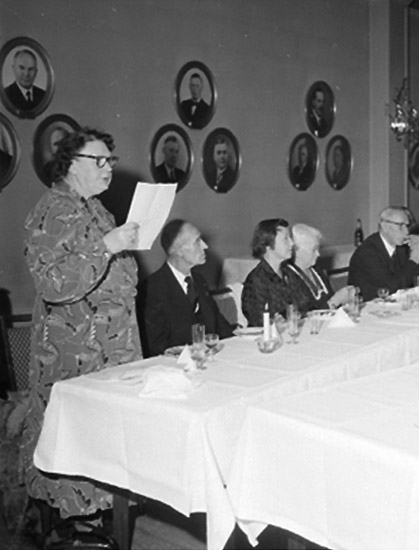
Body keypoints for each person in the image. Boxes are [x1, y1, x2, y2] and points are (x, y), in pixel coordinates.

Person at [21, 127, 141, 520]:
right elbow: (53, 284)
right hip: (77, 352)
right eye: (99, 160)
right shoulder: (52, 210)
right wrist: (108, 246)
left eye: (111, 160)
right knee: (76, 444)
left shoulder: (96, 208)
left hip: (111, 347)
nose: (109, 168)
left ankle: (104, 517)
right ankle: (74, 524)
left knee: (105, 442)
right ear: (72, 164)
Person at [138, 219, 234, 357]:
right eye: (197, 241)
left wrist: (238, 343)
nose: (205, 246)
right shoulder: (152, 288)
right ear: (178, 251)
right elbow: (156, 346)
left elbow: (218, 324)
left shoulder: (199, 280)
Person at [348, 206, 419, 301]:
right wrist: (414, 260)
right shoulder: (367, 252)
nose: (406, 231)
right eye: (400, 226)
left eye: (407, 226)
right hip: (368, 306)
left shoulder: (401, 248)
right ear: (384, 226)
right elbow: (391, 287)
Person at [242, 219, 297, 326]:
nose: (292, 243)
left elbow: (304, 306)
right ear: (267, 245)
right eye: (285, 239)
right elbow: (259, 321)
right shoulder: (257, 280)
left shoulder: (289, 273)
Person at [287, 223, 352, 311]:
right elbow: (305, 315)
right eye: (313, 250)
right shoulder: (290, 277)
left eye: (318, 249)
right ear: (296, 251)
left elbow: (331, 305)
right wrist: (336, 300)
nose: (318, 254)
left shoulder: (316, 270)